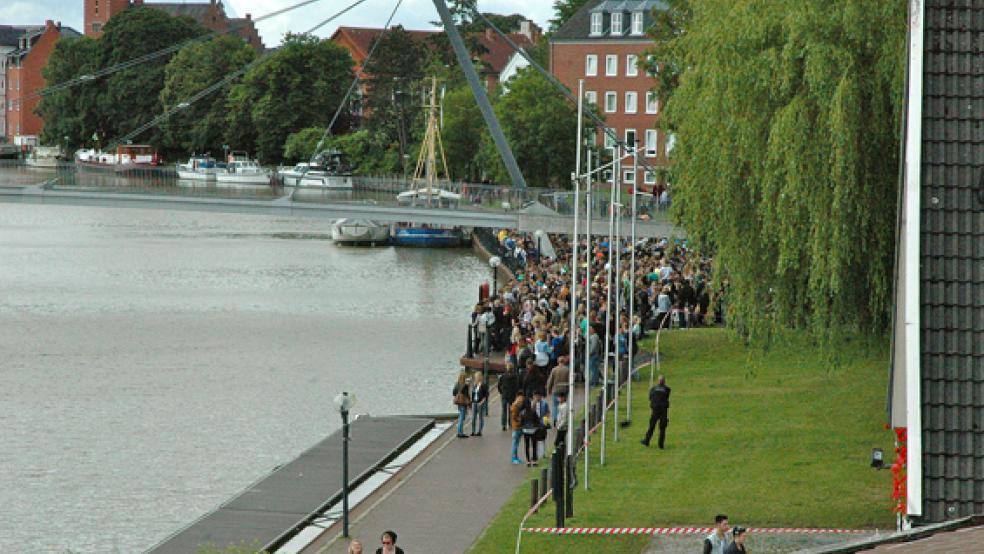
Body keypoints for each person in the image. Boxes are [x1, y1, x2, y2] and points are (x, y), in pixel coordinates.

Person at [641, 375, 671, 448]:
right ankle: (661, 444)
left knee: (651, 426)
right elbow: (667, 396)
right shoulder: (667, 389)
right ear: (664, 381)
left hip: (655, 410)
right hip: (663, 410)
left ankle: (647, 441)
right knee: (662, 427)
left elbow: (650, 398)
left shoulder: (653, 389)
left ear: (658, 381)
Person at [544, 355, 570, 427]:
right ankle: (562, 419)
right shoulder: (567, 369)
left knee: (555, 405)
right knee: (563, 405)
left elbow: (550, 381)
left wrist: (548, 390)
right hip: (564, 389)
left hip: (556, 389)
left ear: (558, 361)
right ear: (564, 362)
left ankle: (555, 419)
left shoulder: (554, 369)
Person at [498, 362, 519, 431]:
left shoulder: (503, 376)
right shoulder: (515, 376)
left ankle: (503, 425)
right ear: (512, 369)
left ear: (507, 368)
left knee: (504, 410)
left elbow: (499, 385)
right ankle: (510, 423)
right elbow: (517, 386)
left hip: (504, 395)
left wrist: (501, 392)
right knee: (511, 410)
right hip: (512, 395)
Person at [452, 370, 471, 438]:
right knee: (461, 418)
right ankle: (460, 433)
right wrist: (469, 404)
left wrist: (458, 395)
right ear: (464, 378)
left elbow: (453, 393)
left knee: (461, 416)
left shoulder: (457, 384)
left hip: (459, 403)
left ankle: (459, 432)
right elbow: (467, 395)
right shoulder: (465, 385)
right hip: (463, 403)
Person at [510, 390, 526, 464]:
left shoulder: (519, 405)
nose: (521, 399)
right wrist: (520, 420)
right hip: (516, 427)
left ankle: (516, 457)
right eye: (520, 397)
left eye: (522, 398)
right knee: (515, 443)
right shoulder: (515, 406)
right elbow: (514, 417)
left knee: (516, 443)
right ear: (517, 397)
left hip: (518, 427)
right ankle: (513, 458)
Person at [470, 371, 488, 436]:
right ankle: (473, 431)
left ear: (480, 377)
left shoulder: (483, 385)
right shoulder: (474, 385)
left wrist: (481, 402)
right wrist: (471, 402)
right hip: (474, 402)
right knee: (473, 417)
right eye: (475, 377)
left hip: (480, 403)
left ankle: (480, 431)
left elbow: (486, 395)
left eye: (477, 377)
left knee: (480, 417)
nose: (475, 378)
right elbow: (472, 394)